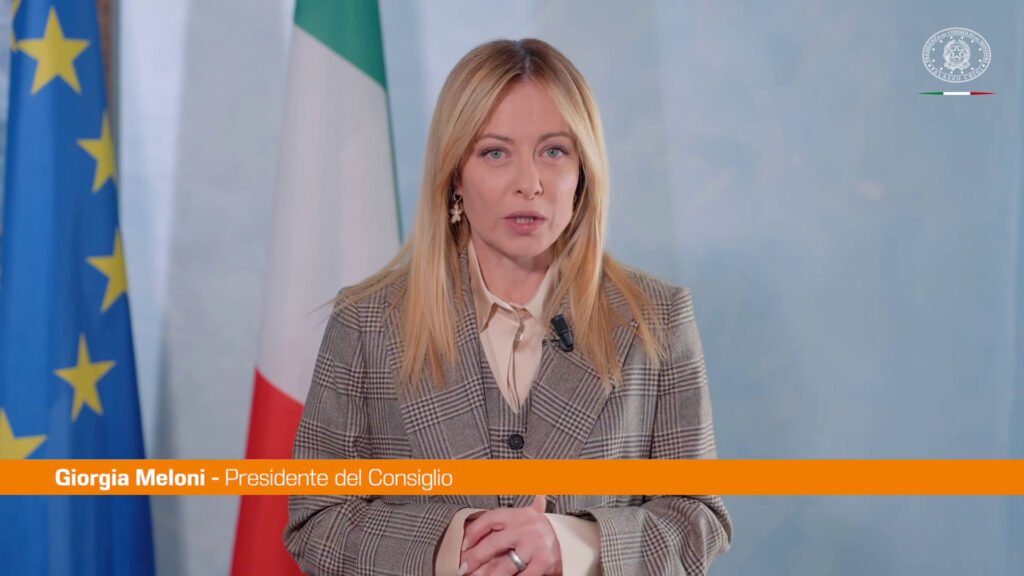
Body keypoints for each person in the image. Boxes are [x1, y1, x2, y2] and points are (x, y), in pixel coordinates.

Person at [284, 38, 732, 576]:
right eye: (495, 152)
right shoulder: (366, 324)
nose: (529, 184)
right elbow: (317, 520)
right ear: (454, 173)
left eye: (554, 151)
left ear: (583, 173)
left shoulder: (657, 318)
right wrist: (458, 543)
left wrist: (570, 544)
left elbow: (698, 520)